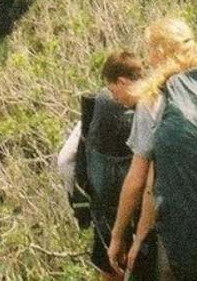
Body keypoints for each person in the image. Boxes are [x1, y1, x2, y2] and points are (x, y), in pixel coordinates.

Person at [107, 18, 197, 280]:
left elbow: (141, 181)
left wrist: (121, 236)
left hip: (179, 237)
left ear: (161, 52)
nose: (147, 59)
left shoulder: (153, 98)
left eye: (150, 50)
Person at [56, 51, 145, 280]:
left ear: (122, 81)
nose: (115, 96)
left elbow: (65, 161)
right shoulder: (160, 100)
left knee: (110, 268)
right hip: (150, 212)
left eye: (115, 89)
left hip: (109, 212)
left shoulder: (102, 102)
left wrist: (80, 202)